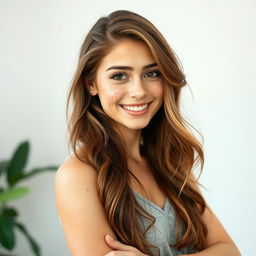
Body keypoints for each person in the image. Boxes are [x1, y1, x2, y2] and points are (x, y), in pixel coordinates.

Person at [54, 10, 241, 256]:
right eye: (119, 76)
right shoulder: (78, 175)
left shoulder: (167, 160)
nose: (139, 91)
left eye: (152, 73)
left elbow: (230, 251)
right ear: (91, 84)